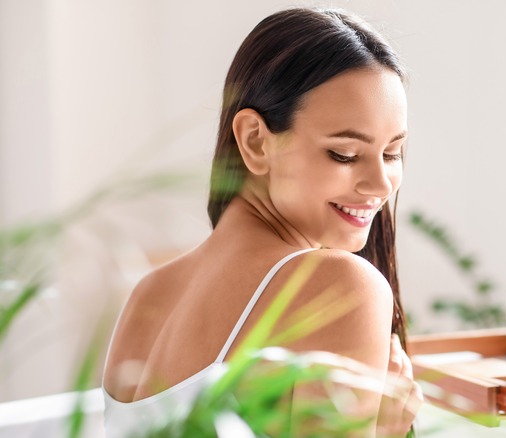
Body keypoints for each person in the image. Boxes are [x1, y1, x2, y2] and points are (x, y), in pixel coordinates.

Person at [102, 7, 422, 437]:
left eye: (392, 153)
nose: (380, 184)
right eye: (344, 154)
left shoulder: (149, 295)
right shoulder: (339, 286)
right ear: (255, 140)